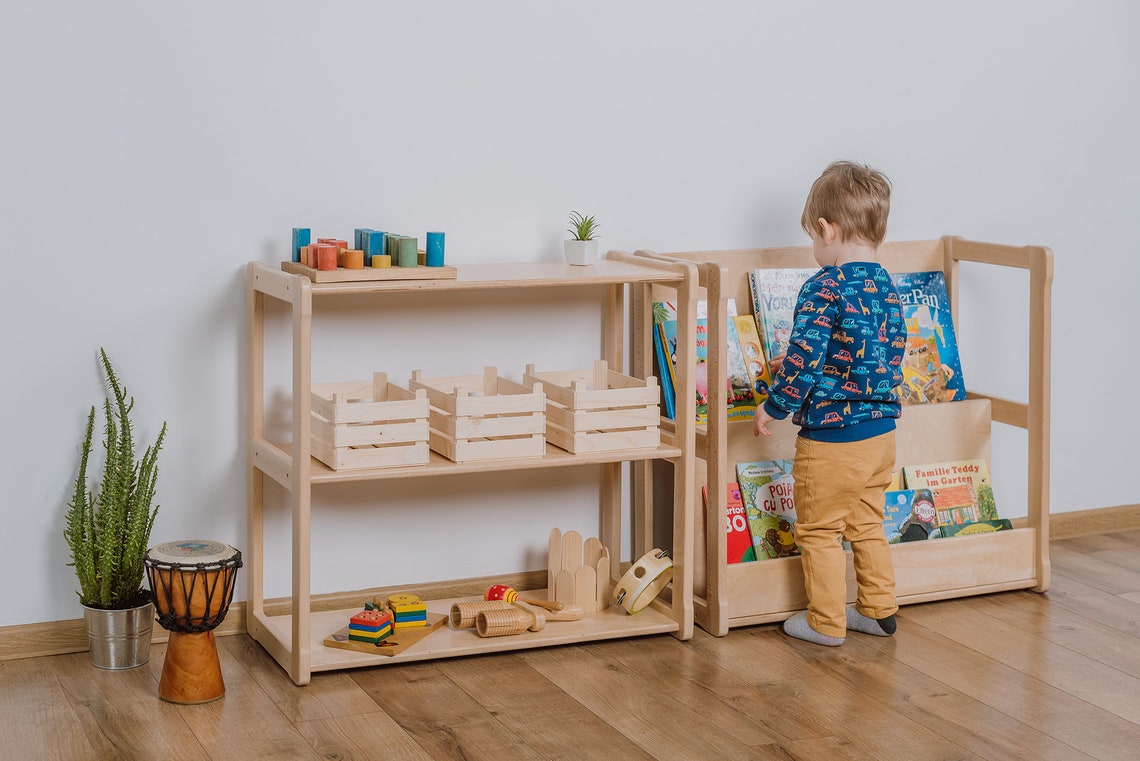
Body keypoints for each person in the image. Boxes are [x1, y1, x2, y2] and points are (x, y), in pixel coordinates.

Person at [754, 160, 907, 646]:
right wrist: (810, 366)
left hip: (833, 440)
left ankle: (824, 621)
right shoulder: (886, 286)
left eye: (813, 237)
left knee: (818, 531)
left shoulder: (824, 285)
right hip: (881, 434)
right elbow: (881, 353)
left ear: (827, 229)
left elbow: (805, 359)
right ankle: (879, 610)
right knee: (867, 524)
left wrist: (774, 405)